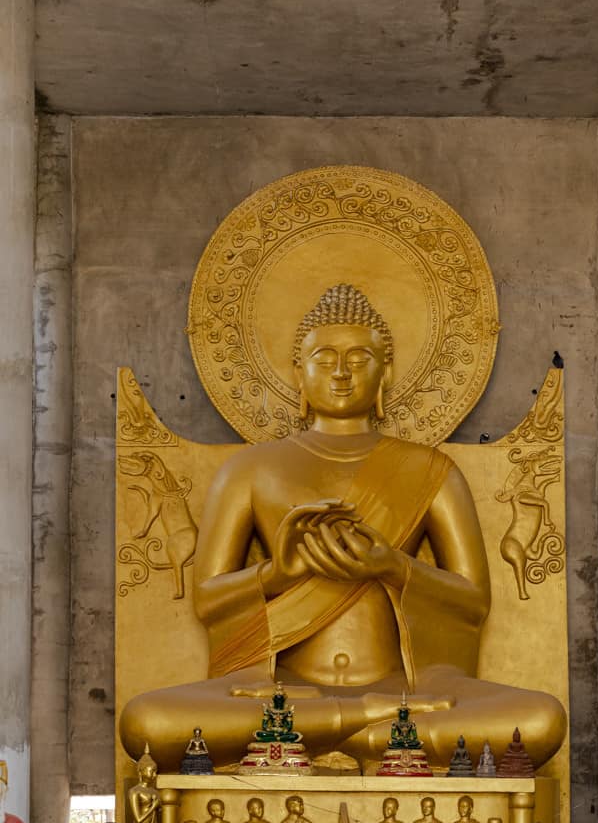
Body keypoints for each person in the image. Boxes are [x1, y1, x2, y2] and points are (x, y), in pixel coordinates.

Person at [120, 284, 566, 772]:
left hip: (405, 689)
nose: (340, 371)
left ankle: (322, 735)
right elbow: (208, 598)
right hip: (283, 691)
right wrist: (278, 574)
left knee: (540, 719)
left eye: (359, 357)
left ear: (386, 372)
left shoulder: (431, 469)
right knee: (146, 721)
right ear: (298, 371)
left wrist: (393, 566)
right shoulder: (251, 470)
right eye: (324, 356)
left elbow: (473, 601)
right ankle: (365, 730)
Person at [127, 743, 160, 823]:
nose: (154, 775)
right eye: (151, 771)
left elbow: (159, 819)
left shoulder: (154, 791)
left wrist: (159, 809)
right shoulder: (134, 791)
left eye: (155, 772)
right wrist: (153, 807)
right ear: (141, 771)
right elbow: (138, 818)